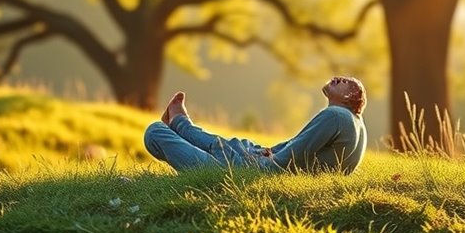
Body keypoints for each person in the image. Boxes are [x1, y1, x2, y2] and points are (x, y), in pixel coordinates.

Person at [143, 76, 368, 174]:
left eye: (348, 82)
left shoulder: (336, 116)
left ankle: (179, 124)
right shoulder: (357, 124)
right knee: (233, 144)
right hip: (269, 168)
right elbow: (298, 148)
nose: (339, 77)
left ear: (351, 98)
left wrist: (258, 160)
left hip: (257, 175)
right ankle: (181, 123)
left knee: (154, 132)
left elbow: (289, 159)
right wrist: (263, 152)